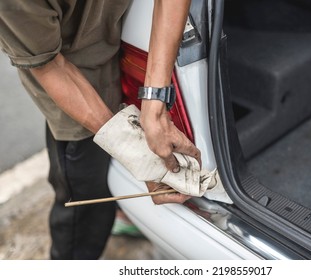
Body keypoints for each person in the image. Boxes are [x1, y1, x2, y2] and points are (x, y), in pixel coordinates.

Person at [0, 0, 200, 260]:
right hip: (75, 84)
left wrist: (155, 101)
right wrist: (135, 151)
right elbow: (50, 65)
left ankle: (121, 211)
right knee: (84, 205)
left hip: (122, 39)